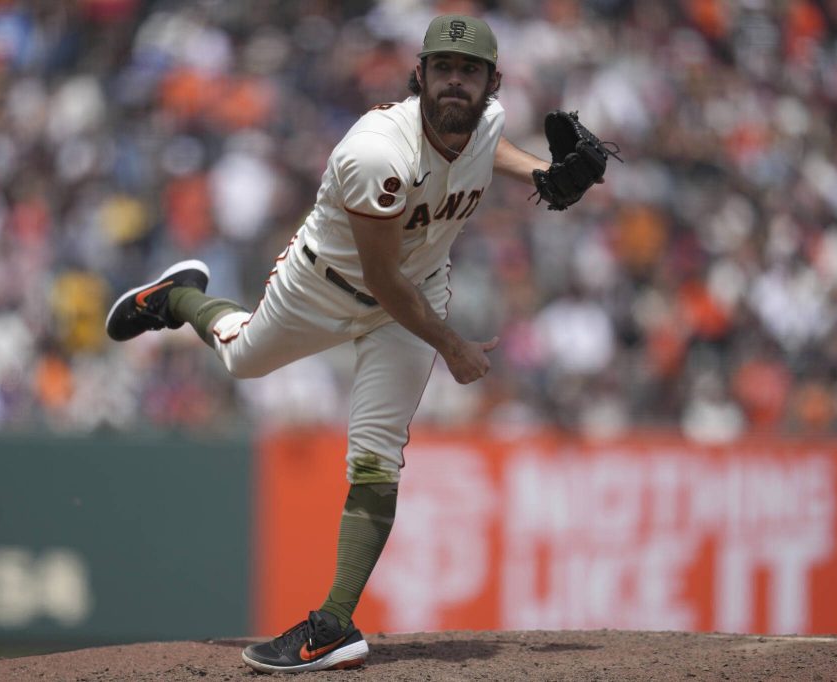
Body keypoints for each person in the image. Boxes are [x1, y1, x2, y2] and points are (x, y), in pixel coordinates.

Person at [107, 14, 600, 673]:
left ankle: (333, 625)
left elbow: (488, 146)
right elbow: (382, 279)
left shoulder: (487, 121)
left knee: (376, 457)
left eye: (470, 70)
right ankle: (177, 299)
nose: (456, 81)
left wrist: (541, 174)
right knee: (244, 358)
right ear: (419, 75)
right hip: (326, 285)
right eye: (444, 68)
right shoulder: (377, 152)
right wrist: (452, 345)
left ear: (493, 82)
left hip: (414, 293)